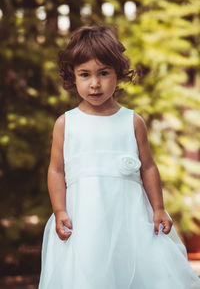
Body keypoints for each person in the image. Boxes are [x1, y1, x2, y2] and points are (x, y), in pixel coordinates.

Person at [38, 24, 200, 289]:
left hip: (130, 219)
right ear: (73, 77)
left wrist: (158, 209)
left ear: (119, 73)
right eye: (85, 74)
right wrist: (59, 210)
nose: (95, 83)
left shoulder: (132, 122)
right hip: (83, 221)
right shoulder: (66, 124)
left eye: (104, 73)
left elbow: (148, 167)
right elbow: (56, 170)